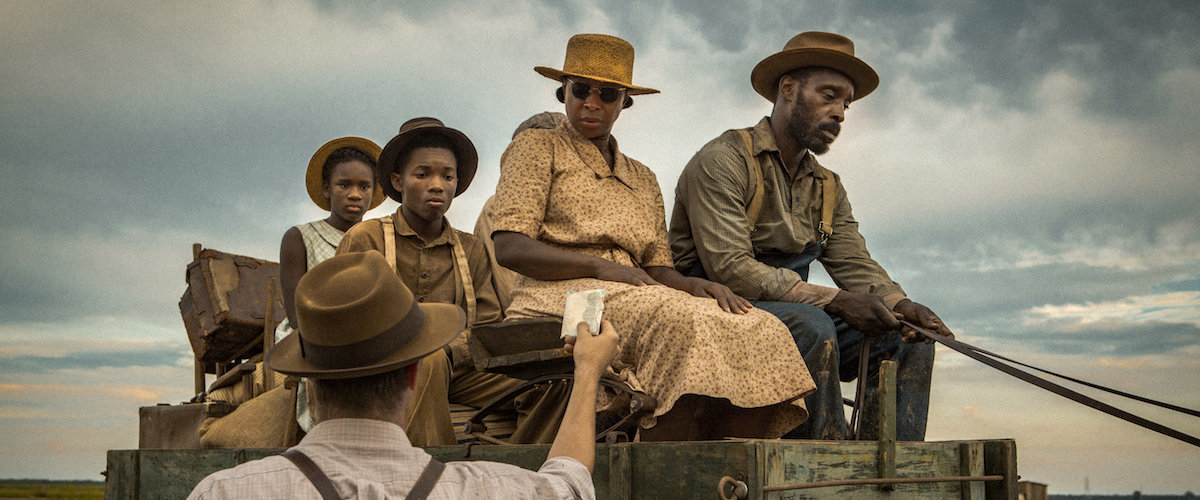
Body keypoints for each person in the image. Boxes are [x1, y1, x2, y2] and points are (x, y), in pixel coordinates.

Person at [491, 33, 815, 441]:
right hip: (560, 296)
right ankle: (661, 459)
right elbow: (510, 246)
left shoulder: (641, 177)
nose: (591, 103)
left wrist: (696, 285)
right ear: (563, 91)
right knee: (678, 321)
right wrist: (600, 267)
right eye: (581, 90)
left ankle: (731, 457)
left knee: (761, 326)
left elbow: (657, 269)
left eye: (608, 94)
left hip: (634, 292)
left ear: (624, 101)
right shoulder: (538, 146)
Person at [668, 31, 955, 441]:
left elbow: (855, 263)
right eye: (829, 96)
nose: (840, 113)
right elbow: (731, 269)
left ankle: (889, 465)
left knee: (907, 340)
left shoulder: (827, 186)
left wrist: (901, 305)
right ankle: (824, 459)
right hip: (714, 309)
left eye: (845, 104)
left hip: (794, 312)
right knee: (812, 326)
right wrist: (836, 301)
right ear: (788, 89)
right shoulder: (723, 160)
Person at [188, 251, 618, 499]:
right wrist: (587, 372)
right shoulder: (486, 490)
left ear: (310, 383)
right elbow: (569, 485)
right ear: (414, 374)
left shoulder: (225, 492)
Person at [337, 117, 563, 445]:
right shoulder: (365, 238)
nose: (437, 185)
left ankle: (518, 465)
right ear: (398, 181)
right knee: (426, 361)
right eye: (422, 174)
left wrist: (449, 351)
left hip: (458, 369)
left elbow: (485, 326)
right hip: (382, 374)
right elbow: (346, 326)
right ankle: (433, 468)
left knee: (556, 383)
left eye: (447, 176)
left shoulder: (471, 248)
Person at [277, 136, 384, 432]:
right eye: (344, 185)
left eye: (364, 186)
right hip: (314, 338)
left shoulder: (380, 239)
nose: (355, 194)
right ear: (326, 189)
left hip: (369, 337)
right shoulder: (300, 237)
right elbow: (297, 314)